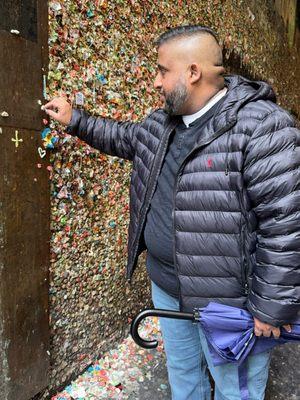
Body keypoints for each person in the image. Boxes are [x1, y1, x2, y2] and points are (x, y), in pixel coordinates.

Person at [44, 25, 300, 400]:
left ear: (192, 72)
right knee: (184, 373)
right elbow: (119, 137)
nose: (155, 81)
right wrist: (74, 119)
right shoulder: (160, 125)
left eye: (163, 70)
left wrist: (271, 308)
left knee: (235, 388)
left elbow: (285, 225)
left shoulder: (263, 127)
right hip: (167, 287)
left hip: (229, 301)